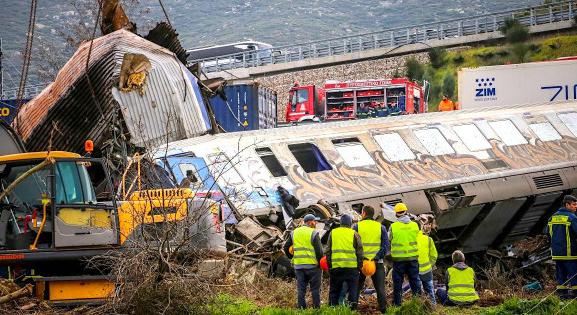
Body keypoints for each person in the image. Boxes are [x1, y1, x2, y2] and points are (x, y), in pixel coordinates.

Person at [353, 205, 390, 313]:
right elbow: (386, 246)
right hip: (377, 263)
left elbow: (353, 246)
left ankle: (352, 310)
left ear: (363, 213)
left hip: (361, 263)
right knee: (380, 289)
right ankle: (384, 311)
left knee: (356, 289)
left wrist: (361, 258)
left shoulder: (356, 226)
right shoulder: (380, 227)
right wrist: (376, 257)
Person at [283, 214, 324, 308]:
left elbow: (286, 247)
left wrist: (292, 257)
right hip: (313, 266)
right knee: (315, 289)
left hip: (299, 266)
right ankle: (316, 308)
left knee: (301, 289)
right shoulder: (313, 233)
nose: (316, 223)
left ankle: (302, 308)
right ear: (310, 222)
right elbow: (319, 251)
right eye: (315, 221)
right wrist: (320, 264)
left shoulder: (294, 232)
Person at [327, 214, 363, 310]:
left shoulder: (333, 233)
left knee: (334, 290)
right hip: (351, 268)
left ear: (341, 223)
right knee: (353, 291)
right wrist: (359, 266)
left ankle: (332, 310)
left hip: (336, 267)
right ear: (350, 223)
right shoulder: (354, 233)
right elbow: (359, 251)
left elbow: (328, 251)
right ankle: (352, 310)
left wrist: (330, 265)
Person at [544, 195, 577, 299]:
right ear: (567, 205)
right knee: (574, 274)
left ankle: (562, 295)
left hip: (557, 253)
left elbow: (548, 234)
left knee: (561, 275)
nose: (575, 207)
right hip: (570, 253)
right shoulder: (572, 218)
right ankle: (576, 295)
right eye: (573, 204)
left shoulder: (552, 217)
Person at [389, 203, 421, 306]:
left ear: (396, 214)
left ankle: (397, 304)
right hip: (413, 259)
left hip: (399, 260)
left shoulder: (393, 226)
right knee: (415, 280)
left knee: (398, 283)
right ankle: (418, 303)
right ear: (406, 212)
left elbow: (389, 239)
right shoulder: (415, 225)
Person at [417, 220, 438, 305]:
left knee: (417, 293)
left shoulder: (409, 241)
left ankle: (419, 308)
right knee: (430, 290)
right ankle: (433, 308)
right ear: (420, 227)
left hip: (415, 271)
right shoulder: (428, 239)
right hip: (427, 270)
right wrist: (430, 265)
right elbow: (434, 256)